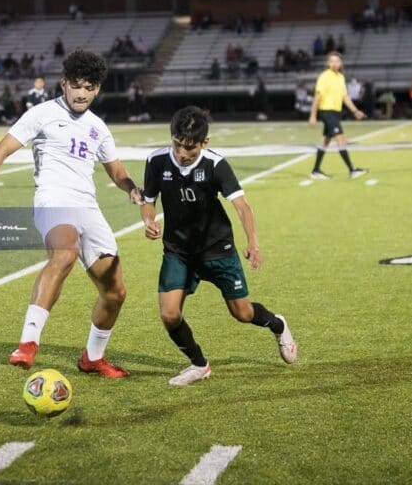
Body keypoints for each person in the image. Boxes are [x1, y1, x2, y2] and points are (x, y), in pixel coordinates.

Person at [0, 49, 144, 376]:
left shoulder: (99, 127)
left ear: (98, 89)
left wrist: (132, 189)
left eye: (89, 87)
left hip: (88, 206)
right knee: (65, 252)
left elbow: (115, 170)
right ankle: (28, 343)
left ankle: (93, 358)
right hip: (53, 197)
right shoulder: (41, 114)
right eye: (76, 85)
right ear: (64, 84)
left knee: (115, 292)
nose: (82, 93)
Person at [139, 106, 297, 386]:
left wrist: (253, 243)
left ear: (204, 143)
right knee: (169, 313)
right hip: (178, 251)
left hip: (217, 249)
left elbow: (242, 206)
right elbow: (148, 199)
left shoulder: (215, 164)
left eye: (190, 147)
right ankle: (199, 364)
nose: (182, 153)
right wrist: (149, 220)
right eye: (177, 144)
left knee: (242, 313)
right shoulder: (157, 160)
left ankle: (277, 324)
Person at [308, 52, 367, 180]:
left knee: (325, 140)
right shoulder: (324, 76)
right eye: (332, 61)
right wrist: (313, 115)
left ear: (341, 64)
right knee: (341, 139)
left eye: (337, 61)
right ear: (328, 63)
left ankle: (316, 170)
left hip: (336, 112)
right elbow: (317, 96)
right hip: (326, 111)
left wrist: (355, 111)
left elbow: (345, 97)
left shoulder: (340, 77)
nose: (334, 63)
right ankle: (352, 170)